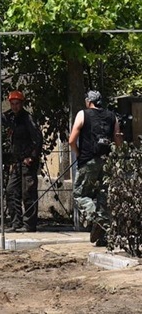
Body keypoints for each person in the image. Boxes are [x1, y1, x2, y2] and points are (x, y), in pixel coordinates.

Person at [68, 89, 122, 245]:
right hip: (106, 162)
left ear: (88, 101)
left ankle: (96, 219)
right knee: (103, 197)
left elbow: (72, 140)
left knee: (79, 195)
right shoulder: (112, 116)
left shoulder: (82, 114)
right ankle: (103, 236)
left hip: (88, 161)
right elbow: (118, 141)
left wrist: (78, 154)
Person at [0, 90, 44, 232]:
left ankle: (29, 225)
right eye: (12, 104)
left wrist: (32, 157)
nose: (15, 107)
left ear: (22, 104)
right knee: (11, 191)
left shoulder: (27, 119)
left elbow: (38, 138)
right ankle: (16, 223)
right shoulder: (10, 117)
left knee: (28, 193)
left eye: (17, 104)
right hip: (16, 162)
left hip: (27, 163)